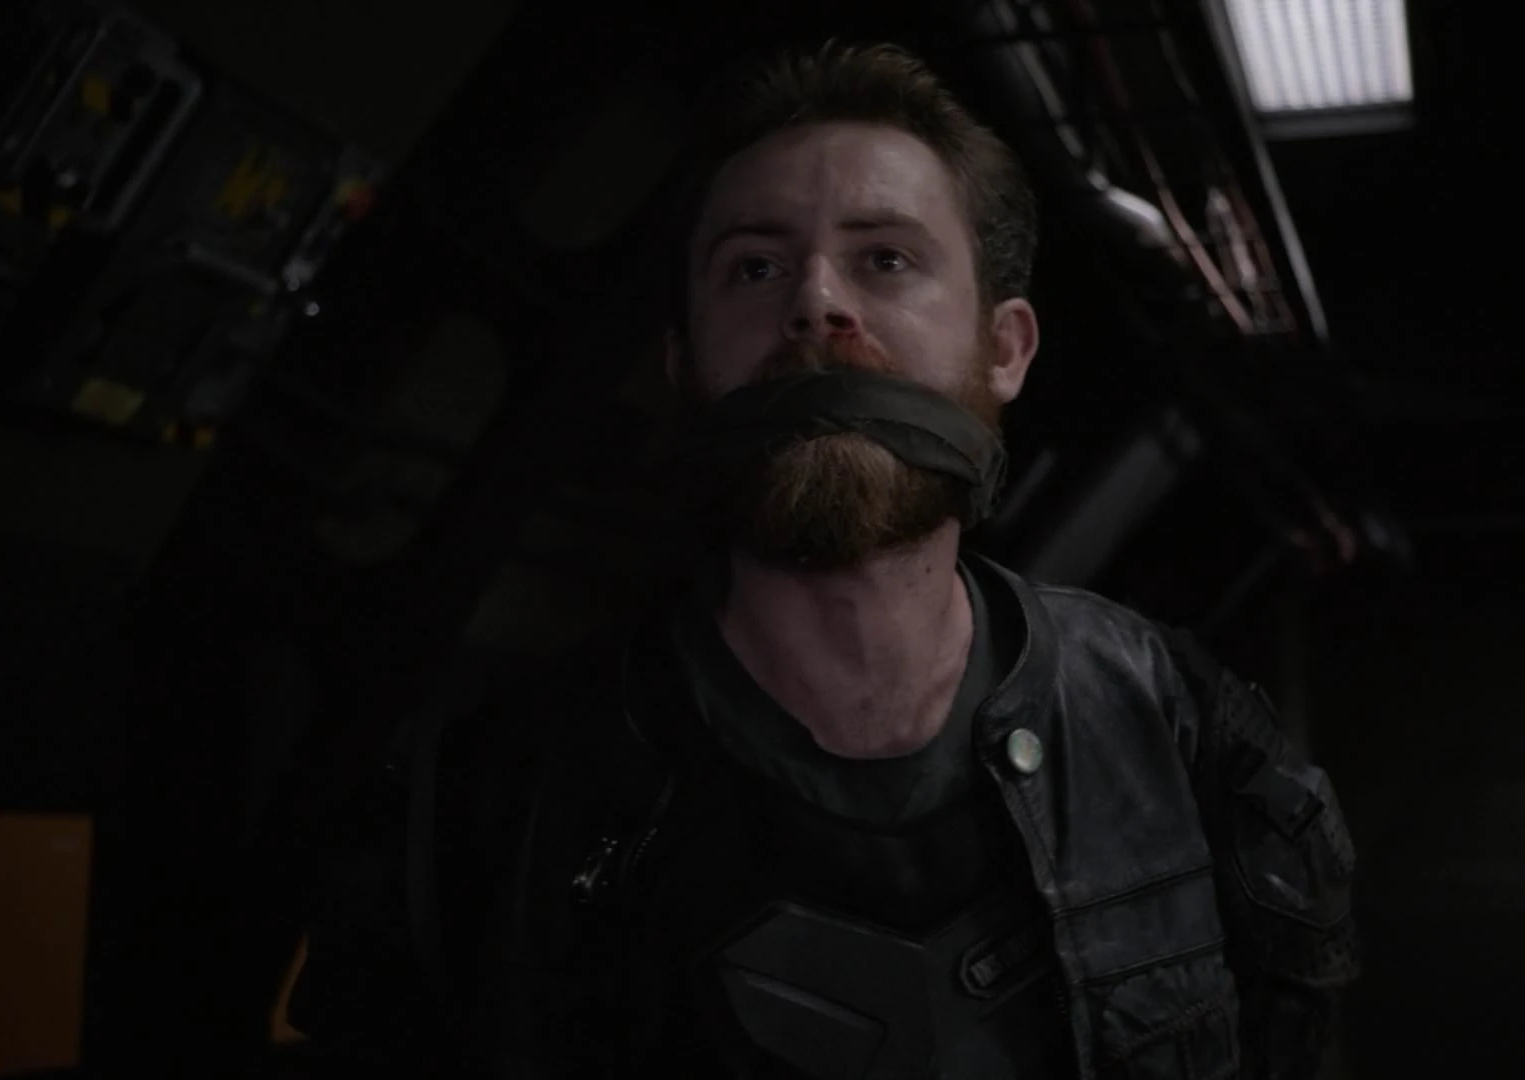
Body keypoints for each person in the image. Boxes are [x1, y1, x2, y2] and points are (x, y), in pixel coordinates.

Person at [289, 40, 1360, 1079]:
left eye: (885, 258)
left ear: (1005, 348)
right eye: (754, 267)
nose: (815, 302)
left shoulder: (1180, 725)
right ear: (684, 365)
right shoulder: (482, 812)